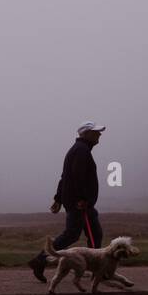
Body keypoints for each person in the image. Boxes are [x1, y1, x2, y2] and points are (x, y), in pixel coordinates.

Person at [28, 121, 106, 283]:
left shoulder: (79, 150)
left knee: (88, 234)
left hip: (78, 201)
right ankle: (96, 269)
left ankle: (41, 260)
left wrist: (58, 198)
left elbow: (65, 177)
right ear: (86, 134)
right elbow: (77, 177)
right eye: (96, 132)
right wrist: (82, 199)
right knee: (87, 234)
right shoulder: (81, 151)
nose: (99, 134)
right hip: (81, 203)